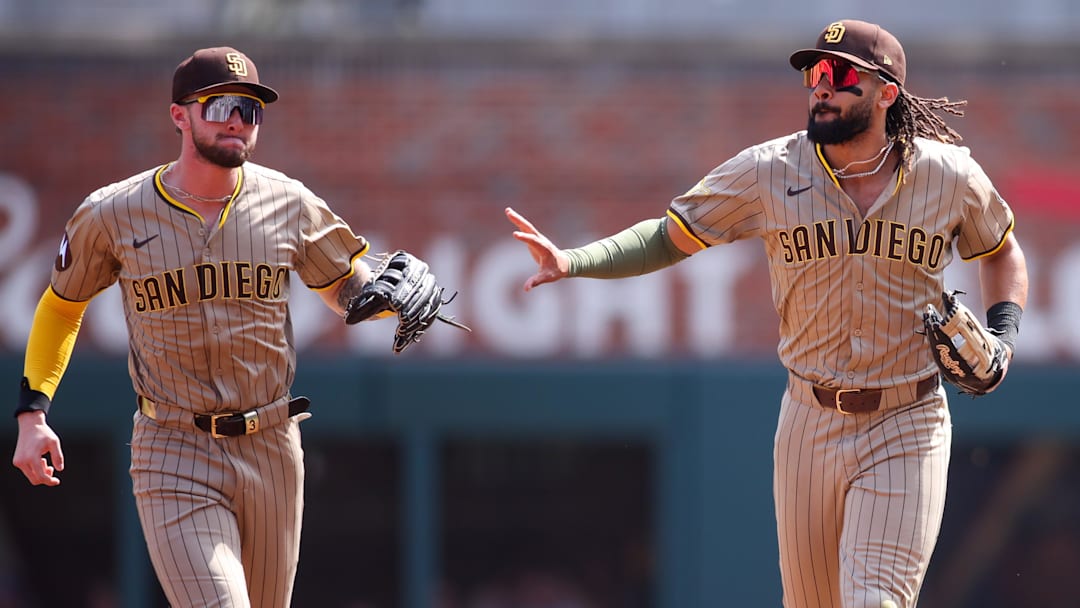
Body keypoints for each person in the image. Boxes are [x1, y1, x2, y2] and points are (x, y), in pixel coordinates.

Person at [506, 19, 1028, 608]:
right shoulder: (769, 170)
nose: (820, 87)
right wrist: (574, 261)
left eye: (837, 74)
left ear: (887, 93)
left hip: (906, 420)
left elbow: (1002, 251)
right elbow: (668, 235)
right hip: (809, 418)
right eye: (813, 74)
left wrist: (1004, 334)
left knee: (873, 600)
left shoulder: (948, 175)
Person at [11, 47, 441, 607]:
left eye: (251, 108)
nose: (238, 119)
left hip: (272, 448)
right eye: (220, 106)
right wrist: (32, 413)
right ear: (179, 115)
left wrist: (392, 300)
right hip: (173, 445)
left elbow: (347, 289)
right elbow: (62, 306)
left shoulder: (289, 203)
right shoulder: (112, 213)